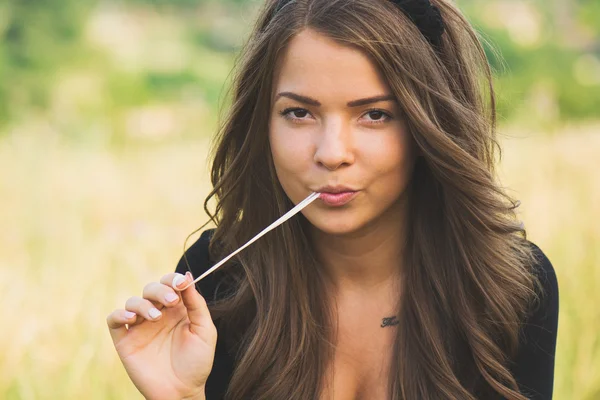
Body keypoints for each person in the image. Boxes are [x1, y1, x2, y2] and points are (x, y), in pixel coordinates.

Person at [106, 0, 559, 399]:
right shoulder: (219, 282)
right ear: (262, 123)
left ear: (427, 125)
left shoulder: (507, 288)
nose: (331, 153)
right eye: (299, 113)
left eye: (375, 115)